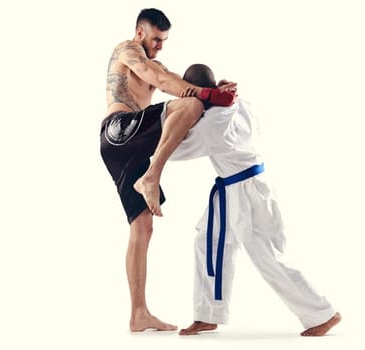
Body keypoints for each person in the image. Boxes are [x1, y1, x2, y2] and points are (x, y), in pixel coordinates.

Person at [170, 64, 341, 337]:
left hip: (244, 191)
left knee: (266, 254)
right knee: (208, 240)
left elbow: (176, 150)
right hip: (239, 186)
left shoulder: (211, 125)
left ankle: (322, 313)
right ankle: (208, 314)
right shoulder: (239, 102)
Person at [98, 8, 236, 331]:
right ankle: (152, 175)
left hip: (124, 148)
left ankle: (138, 314)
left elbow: (177, 82)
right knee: (192, 105)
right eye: (156, 39)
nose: (160, 45)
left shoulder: (156, 62)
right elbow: (160, 80)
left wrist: (215, 88)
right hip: (119, 130)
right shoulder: (127, 50)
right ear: (140, 32)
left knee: (142, 226)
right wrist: (204, 96)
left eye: (164, 40)